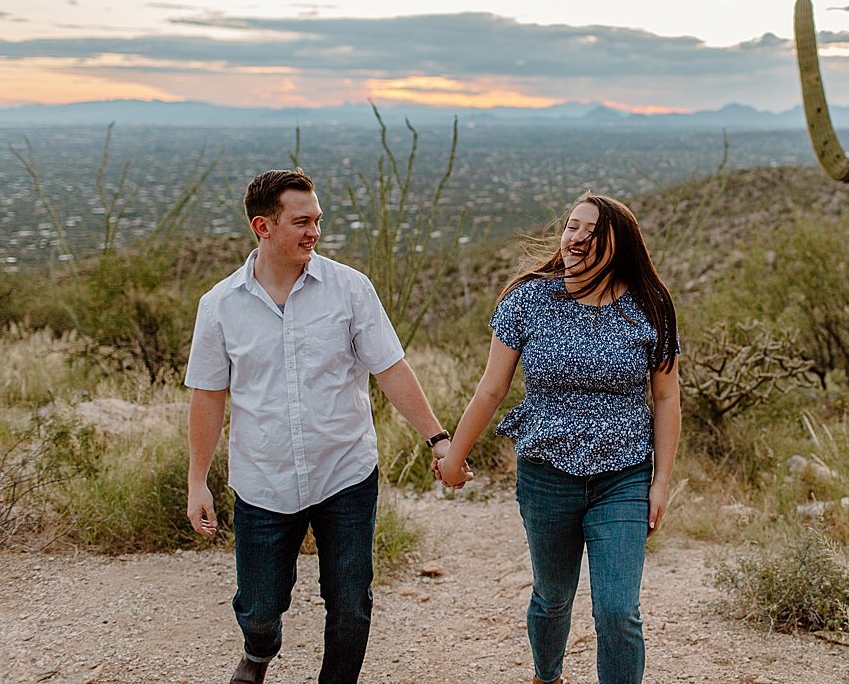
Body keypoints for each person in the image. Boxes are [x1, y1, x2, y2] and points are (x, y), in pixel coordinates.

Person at [185, 169, 467, 684]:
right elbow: (208, 396)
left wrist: (439, 437)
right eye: (301, 221)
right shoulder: (219, 305)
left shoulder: (350, 288)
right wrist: (196, 480)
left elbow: (391, 369)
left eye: (317, 219)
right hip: (263, 479)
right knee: (261, 605)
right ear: (262, 226)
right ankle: (259, 650)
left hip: (345, 473)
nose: (314, 230)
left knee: (350, 603)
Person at [437, 192, 681, 684]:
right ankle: (547, 676)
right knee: (552, 598)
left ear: (620, 246)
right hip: (547, 475)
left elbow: (666, 399)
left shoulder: (650, 305)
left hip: (624, 477)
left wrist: (660, 482)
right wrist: (453, 457)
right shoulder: (528, 298)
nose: (577, 239)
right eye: (573, 227)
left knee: (618, 610)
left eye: (593, 233)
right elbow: (492, 387)